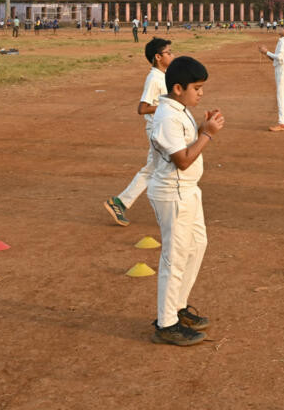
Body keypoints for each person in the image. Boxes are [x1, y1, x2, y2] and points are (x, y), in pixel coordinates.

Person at [144, 55, 220, 346]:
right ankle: (166, 324)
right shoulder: (166, 117)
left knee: (197, 245)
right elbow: (183, 160)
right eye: (196, 88)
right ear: (178, 88)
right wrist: (207, 135)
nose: (201, 93)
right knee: (174, 258)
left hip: (188, 190)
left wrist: (202, 127)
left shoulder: (179, 108)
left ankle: (177, 308)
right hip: (173, 193)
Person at [104, 38, 176, 226]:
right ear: (158, 57)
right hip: (156, 129)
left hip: (163, 128)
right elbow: (142, 108)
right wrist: (165, 105)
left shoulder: (164, 75)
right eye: (169, 52)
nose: (172, 55)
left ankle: (120, 202)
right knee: (161, 167)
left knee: (154, 168)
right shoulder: (154, 78)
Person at [258, 24, 284, 131]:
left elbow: (279, 57)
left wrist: (266, 52)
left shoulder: (283, 41)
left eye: (283, 28)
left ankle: (282, 123)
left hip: (283, 70)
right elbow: (277, 59)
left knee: (281, 96)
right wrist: (266, 53)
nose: (280, 28)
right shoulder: (283, 41)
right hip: (283, 68)